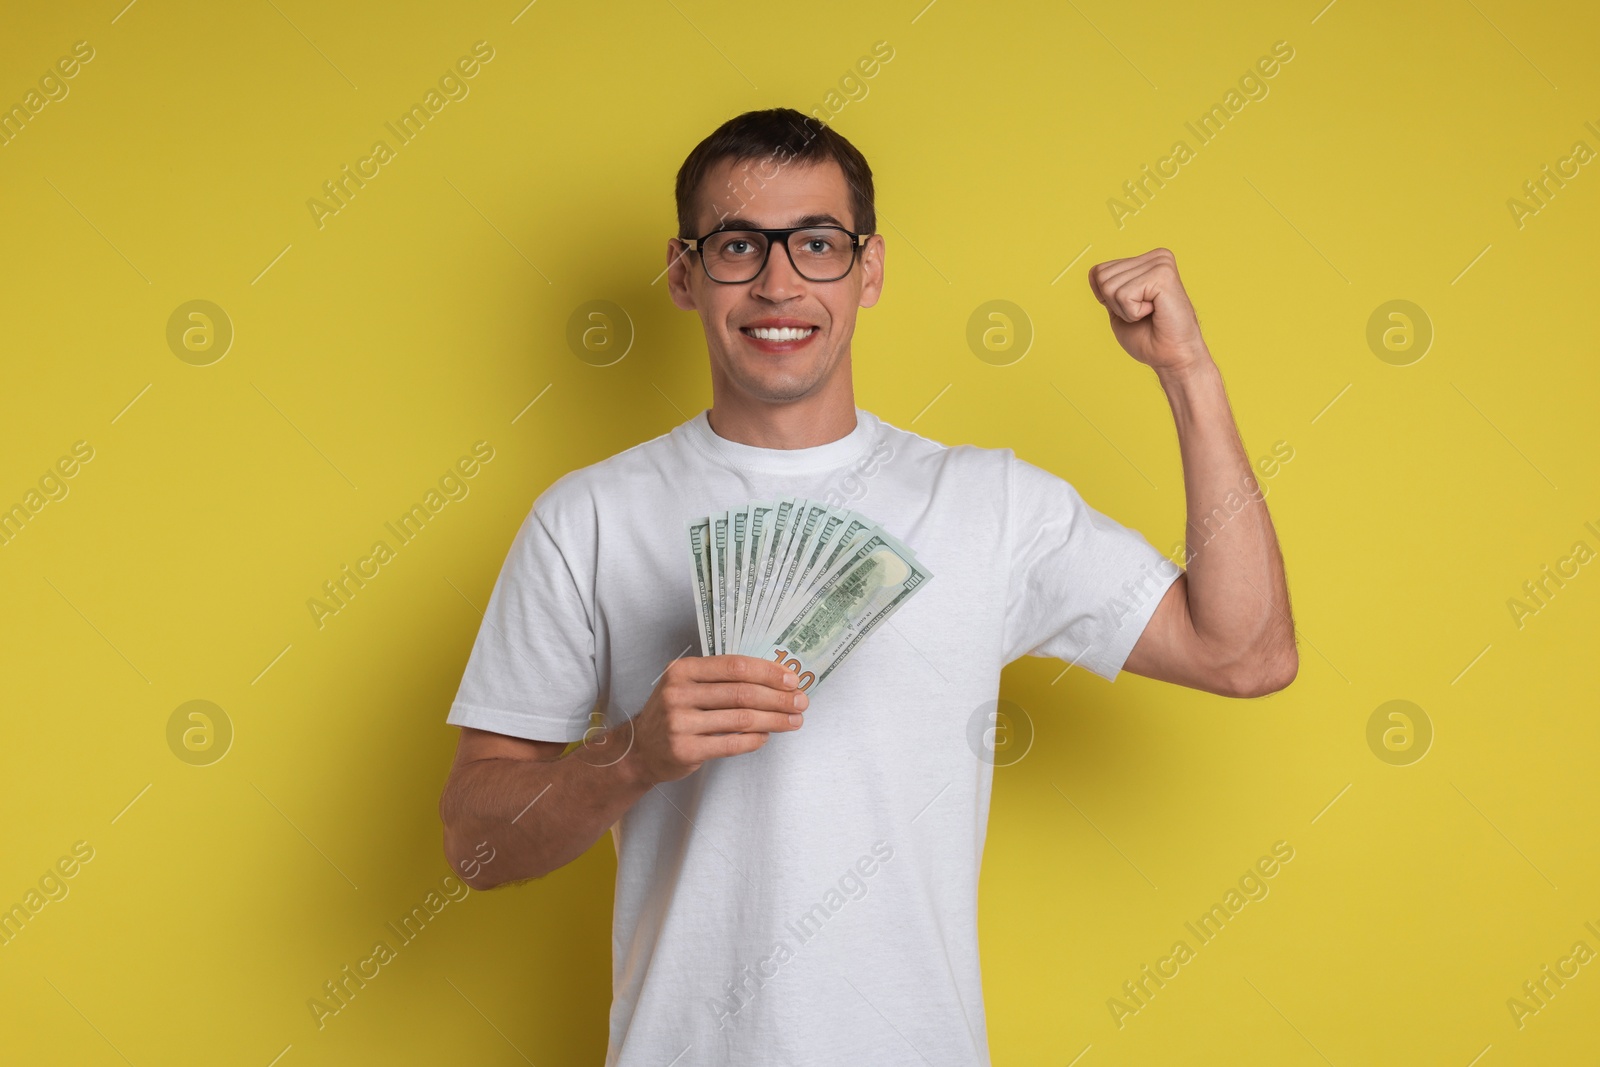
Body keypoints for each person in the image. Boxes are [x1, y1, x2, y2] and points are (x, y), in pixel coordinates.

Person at [437, 107, 1296, 1065]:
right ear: (682, 273)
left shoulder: (989, 504)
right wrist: (631, 755)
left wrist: (1188, 373)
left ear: (869, 269)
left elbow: (1245, 652)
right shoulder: (588, 516)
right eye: (737, 245)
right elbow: (475, 845)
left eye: (816, 243)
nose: (778, 283)